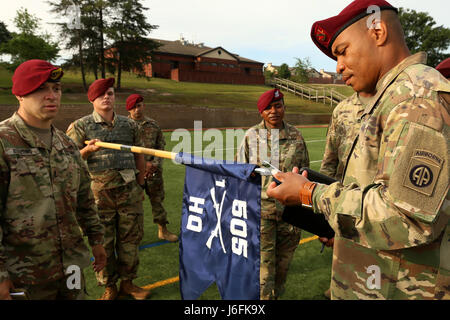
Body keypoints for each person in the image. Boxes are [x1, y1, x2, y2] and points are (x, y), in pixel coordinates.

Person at [267, 0, 450, 300]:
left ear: (377, 31)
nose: (338, 66)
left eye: (342, 51)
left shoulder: (417, 99)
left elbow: (406, 219)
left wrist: (310, 193)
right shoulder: (393, 97)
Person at [0, 59, 106, 300]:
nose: (52, 96)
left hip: (71, 266)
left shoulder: (66, 144)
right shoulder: (4, 142)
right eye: (41, 88)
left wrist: (97, 240)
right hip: (25, 274)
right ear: (20, 95)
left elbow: (84, 199)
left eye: (56, 89)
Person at [66, 78, 149, 300]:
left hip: (129, 193)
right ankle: (109, 286)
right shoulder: (80, 126)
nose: (107, 97)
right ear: (92, 99)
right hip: (99, 198)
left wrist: (141, 185)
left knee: (130, 240)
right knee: (103, 242)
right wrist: (86, 152)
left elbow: (139, 155)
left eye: (110, 93)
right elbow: (66, 160)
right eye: (101, 94)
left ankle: (128, 283)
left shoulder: (129, 125)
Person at [236, 88, 310, 300]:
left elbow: (304, 172)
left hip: (291, 215)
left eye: (278, 106)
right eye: (268, 108)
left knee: (283, 267)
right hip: (262, 213)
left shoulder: (296, 136)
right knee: (264, 270)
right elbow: (240, 173)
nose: (273, 111)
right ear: (261, 112)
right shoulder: (251, 137)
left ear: (284, 108)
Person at [318, 91, 373, 299]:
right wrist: (322, 217)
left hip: (377, 205)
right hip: (344, 200)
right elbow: (329, 160)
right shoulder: (342, 109)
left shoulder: (394, 102)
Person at [126, 94, 178, 242]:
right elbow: (122, 151)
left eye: (139, 105)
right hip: (133, 172)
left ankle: (163, 230)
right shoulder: (123, 126)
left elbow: (161, 145)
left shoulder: (153, 125)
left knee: (157, 201)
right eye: (133, 107)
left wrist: (154, 164)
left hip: (153, 172)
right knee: (132, 205)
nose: (137, 109)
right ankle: (133, 236)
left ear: (144, 106)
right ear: (128, 109)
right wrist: (139, 166)